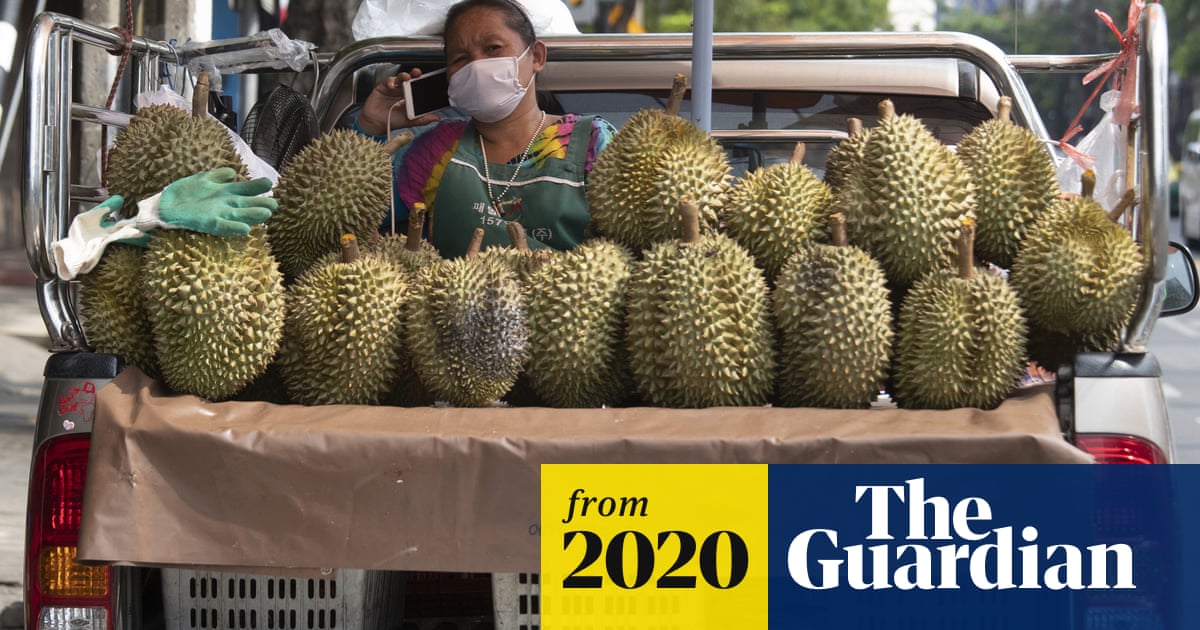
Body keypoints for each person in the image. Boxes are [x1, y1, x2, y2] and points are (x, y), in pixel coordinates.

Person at [353, 0, 617, 259]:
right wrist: (371, 126)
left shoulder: (591, 142)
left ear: (536, 56)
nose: (477, 65)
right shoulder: (435, 149)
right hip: (454, 300)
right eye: (460, 58)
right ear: (450, 77)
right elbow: (352, 216)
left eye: (493, 48)